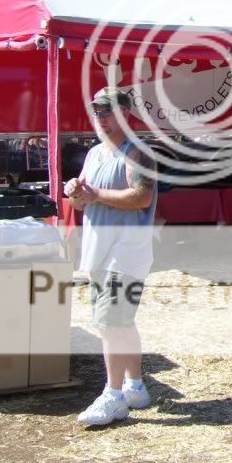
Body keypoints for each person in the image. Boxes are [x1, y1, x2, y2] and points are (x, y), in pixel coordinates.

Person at [66, 87, 158, 425]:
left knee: (109, 324)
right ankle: (135, 387)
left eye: (108, 112)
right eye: (97, 113)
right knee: (121, 323)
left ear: (125, 115)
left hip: (126, 255)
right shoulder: (94, 155)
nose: (101, 119)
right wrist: (77, 194)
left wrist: (95, 193)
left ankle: (113, 395)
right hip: (99, 252)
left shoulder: (139, 153)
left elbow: (141, 198)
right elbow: (83, 201)